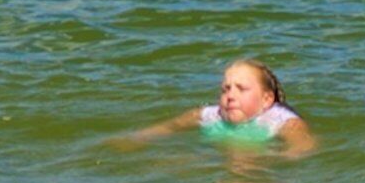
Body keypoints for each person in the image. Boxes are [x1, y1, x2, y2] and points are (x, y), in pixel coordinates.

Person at [110, 57, 316, 156]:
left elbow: (304, 144)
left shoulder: (278, 120)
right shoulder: (210, 115)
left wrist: (285, 157)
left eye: (241, 89)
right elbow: (171, 127)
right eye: (225, 89)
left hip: (262, 164)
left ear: (266, 99)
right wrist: (137, 138)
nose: (230, 96)